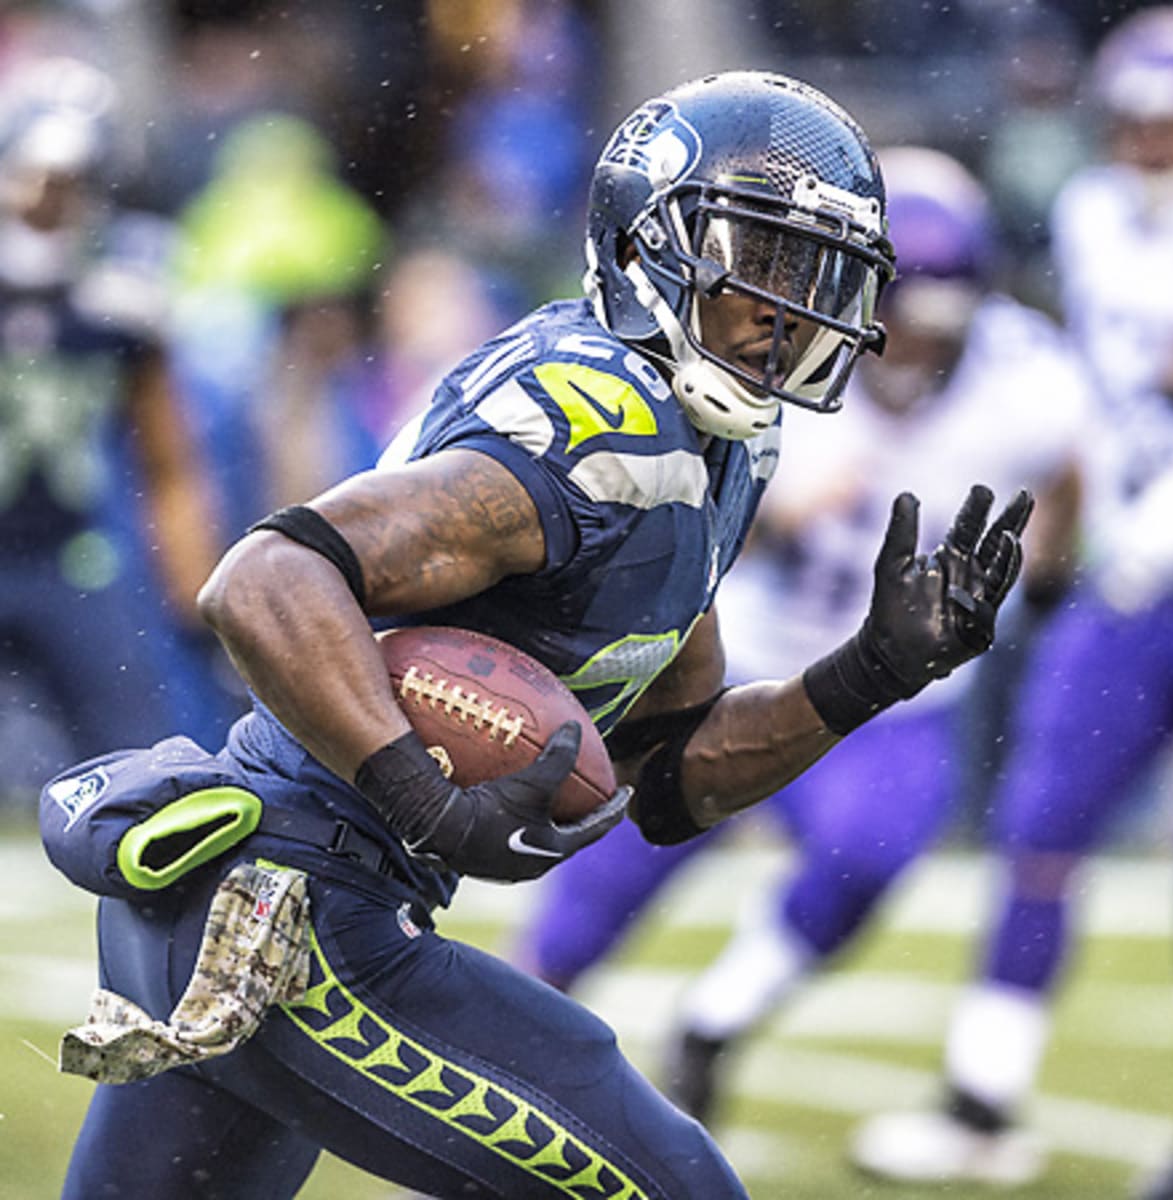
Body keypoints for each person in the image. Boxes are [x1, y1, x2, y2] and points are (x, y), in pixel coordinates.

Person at [39, 70, 1031, 1200]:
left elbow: (669, 775)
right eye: (756, 258)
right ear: (655, 245)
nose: (785, 303)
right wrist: (416, 789)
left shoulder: (713, 444)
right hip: (294, 904)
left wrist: (865, 675)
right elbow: (265, 577)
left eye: (811, 271)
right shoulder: (595, 425)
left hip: (298, 891)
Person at [512, 146, 1086, 1128]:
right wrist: (777, 515)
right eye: (900, 325)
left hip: (894, 692)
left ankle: (716, 1020)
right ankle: (518, 1023)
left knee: (873, 849)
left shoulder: (1030, 379)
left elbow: (1064, 481)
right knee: (626, 841)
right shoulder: (765, 355)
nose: (913, 350)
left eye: (939, 330)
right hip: (747, 649)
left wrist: (1034, 580)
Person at [850, 8, 1173, 1194]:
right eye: (1139, 123)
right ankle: (981, 1098)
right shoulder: (1095, 213)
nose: (1155, 145)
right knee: (1041, 824)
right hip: (1129, 576)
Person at [0, 54, 223, 802]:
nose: (47, 199)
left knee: (142, 767)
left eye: (69, 182)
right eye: (36, 176)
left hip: (71, 557)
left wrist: (196, 590)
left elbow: (169, 459)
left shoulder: (119, 302)